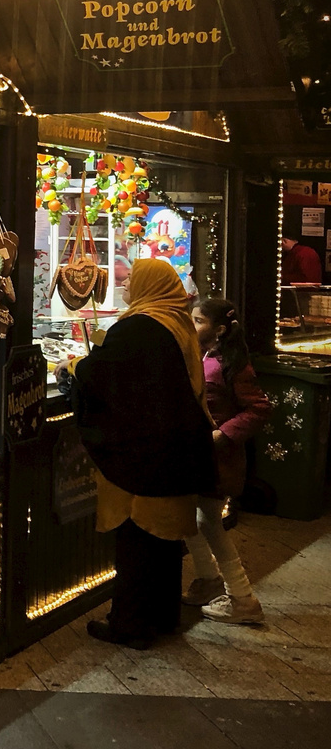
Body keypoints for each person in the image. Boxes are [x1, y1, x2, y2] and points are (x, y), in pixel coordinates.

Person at [63, 258, 215, 649]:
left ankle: (130, 625)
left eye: (133, 278)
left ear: (149, 285)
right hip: (175, 451)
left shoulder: (140, 327)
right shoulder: (175, 320)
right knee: (164, 541)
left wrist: (77, 366)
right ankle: (163, 616)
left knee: (138, 540)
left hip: (145, 456)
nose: (126, 283)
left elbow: (107, 379)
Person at [182, 298, 271, 623]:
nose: (192, 326)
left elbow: (259, 409)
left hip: (220, 457)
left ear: (218, 329)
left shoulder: (232, 364)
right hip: (203, 455)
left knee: (206, 521)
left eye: (197, 320)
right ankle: (209, 581)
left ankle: (242, 598)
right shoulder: (205, 356)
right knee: (191, 517)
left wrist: (222, 434)